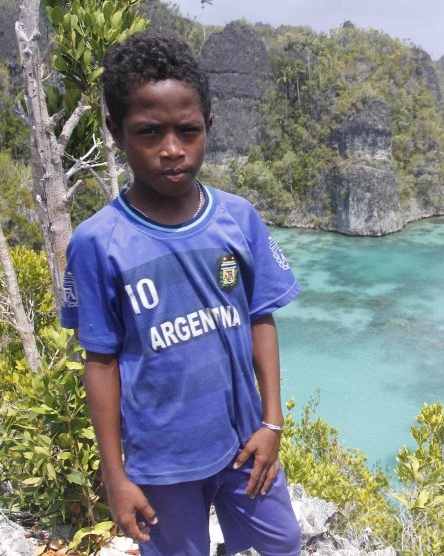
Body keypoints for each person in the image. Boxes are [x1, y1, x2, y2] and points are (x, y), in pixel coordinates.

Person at [60, 30, 302, 555]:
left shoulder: (239, 219)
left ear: (208, 128)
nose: (172, 150)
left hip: (244, 446)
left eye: (188, 131)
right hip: (161, 461)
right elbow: (99, 361)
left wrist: (272, 422)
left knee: (284, 543)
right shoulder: (98, 243)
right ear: (116, 132)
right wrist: (115, 475)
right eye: (149, 132)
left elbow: (261, 318)